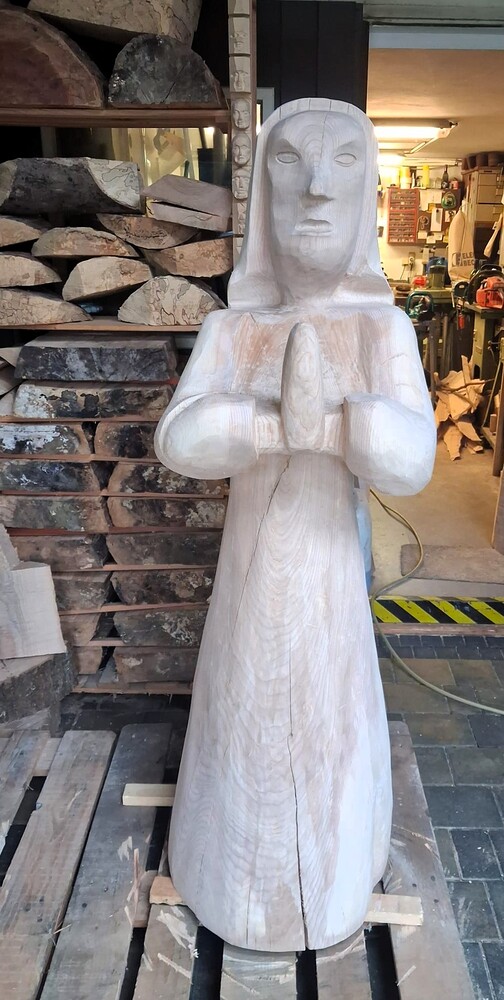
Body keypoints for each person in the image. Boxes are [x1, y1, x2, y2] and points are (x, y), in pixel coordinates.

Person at [154, 97, 436, 952]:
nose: (315, 187)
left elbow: (413, 460)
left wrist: (345, 424)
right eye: (290, 162)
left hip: (330, 604)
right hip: (246, 602)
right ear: (263, 206)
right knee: (242, 729)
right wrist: (271, 426)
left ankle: (332, 869)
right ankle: (223, 868)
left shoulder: (382, 330)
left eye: (343, 162)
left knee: (328, 735)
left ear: (365, 197)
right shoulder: (232, 329)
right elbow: (179, 439)